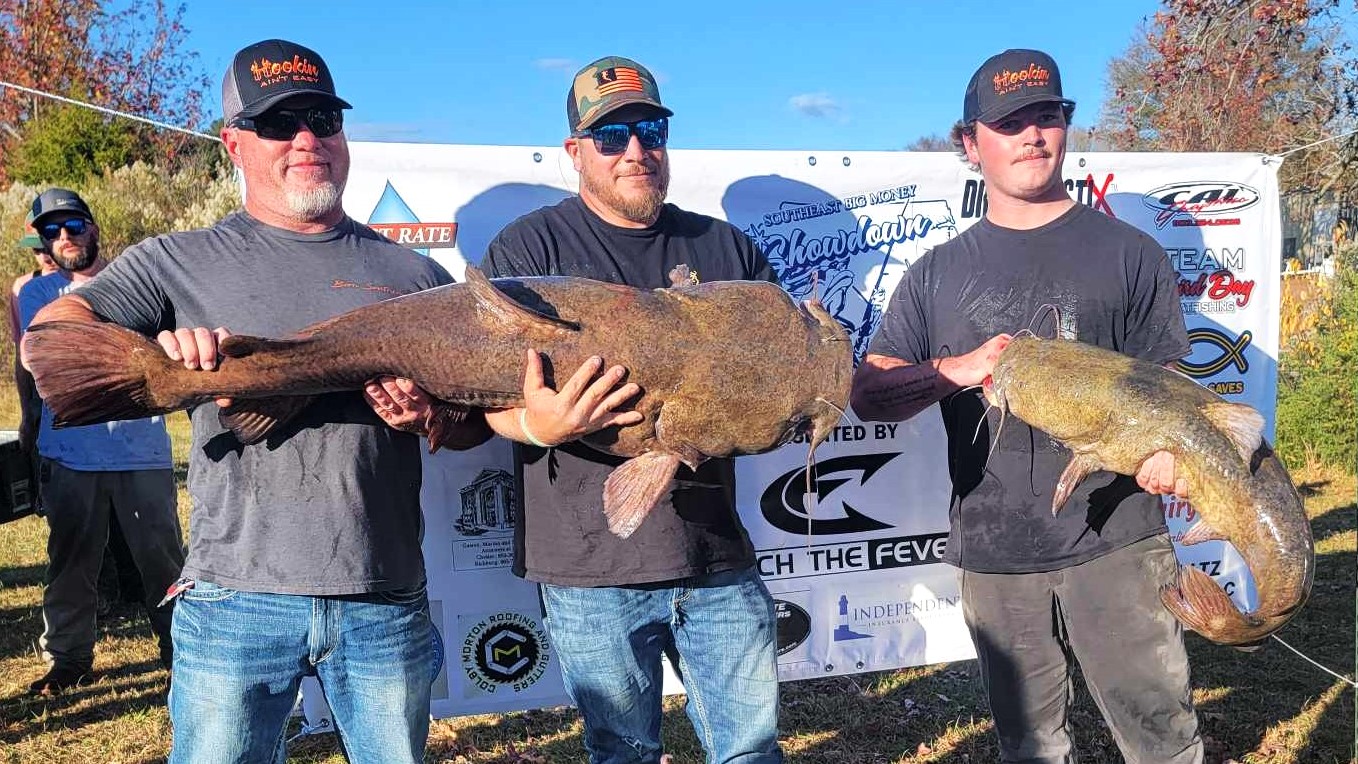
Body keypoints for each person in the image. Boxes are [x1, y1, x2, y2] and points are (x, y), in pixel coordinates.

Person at [24, 39, 639, 763]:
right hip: (235, 600)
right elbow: (53, 335)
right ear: (233, 143)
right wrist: (163, 355)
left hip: (384, 599)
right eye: (280, 123)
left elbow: (470, 427)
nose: (307, 140)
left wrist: (431, 419)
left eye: (322, 118)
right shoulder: (175, 259)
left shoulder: (414, 273)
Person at [851, 49, 1203, 763]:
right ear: (970, 143)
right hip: (995, 551)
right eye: (1010, 123)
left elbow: (1166, 389)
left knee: (1161, 737)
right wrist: (957, 369)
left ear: (1067, 126)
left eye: (1048, 116)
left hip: (1120, 538)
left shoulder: (1131, 254)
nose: (1033, 135)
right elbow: (869, 395)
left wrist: (1169, 453)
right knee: (1030, 747)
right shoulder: (937, 273)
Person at [484, 56, 784, 764]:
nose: (636, 152)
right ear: (574, 152)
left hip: (715, 555)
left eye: (649, 130)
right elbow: (488, 401)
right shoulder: (531, 248)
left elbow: (777, 381)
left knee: (750, 749)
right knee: (621, 752)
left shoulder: (723, 247)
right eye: (611, 136)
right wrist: (539, 426)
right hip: (589, 568)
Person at [17, 188, 185, 696]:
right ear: (42, 241)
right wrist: (29, 425)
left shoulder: (140, 282)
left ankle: (182, 648)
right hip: (68, 449)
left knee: (163, 558)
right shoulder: (36, 295)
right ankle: (69, 659)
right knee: (70, 560)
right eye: (51, 230)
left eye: (73, 226)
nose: (64, 237)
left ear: (93, 228)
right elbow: (32, 365)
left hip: (143, 448)